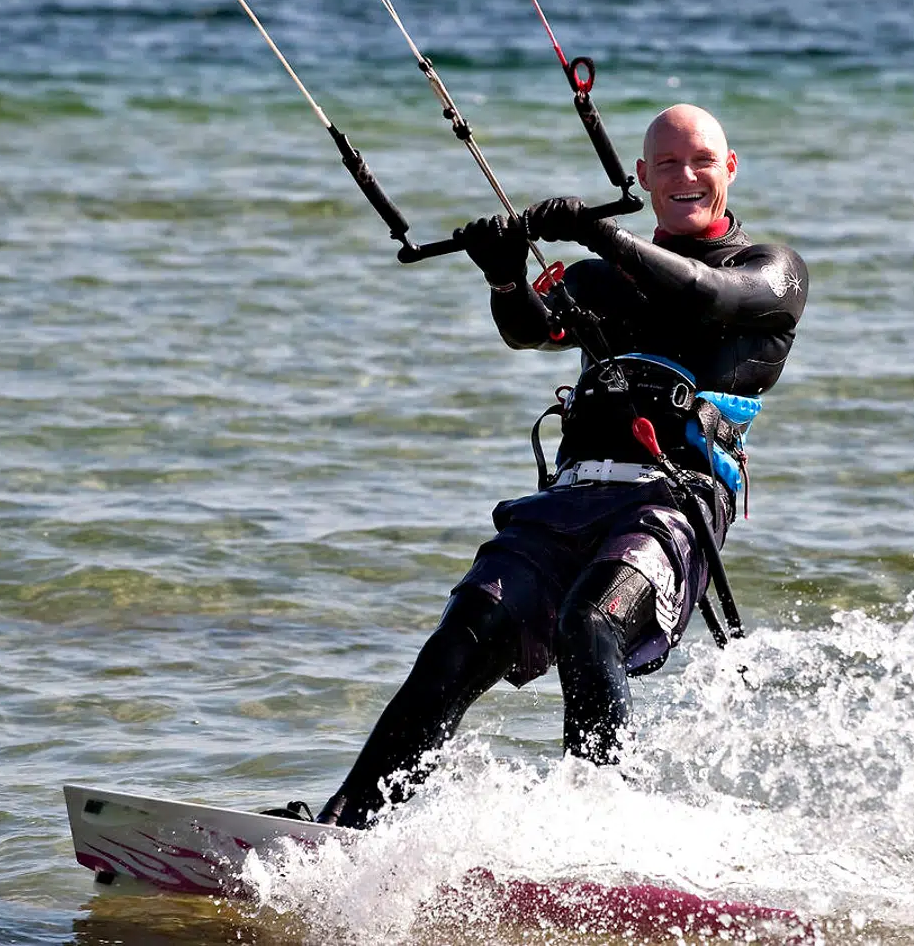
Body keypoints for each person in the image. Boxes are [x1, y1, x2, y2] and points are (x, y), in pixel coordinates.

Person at [311, 103, 808, 828]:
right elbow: (531, 331)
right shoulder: (598, 279)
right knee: (465, 630)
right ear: (641, 175)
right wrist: (506, 274)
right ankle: (345, 823)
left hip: (671, 508)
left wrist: (600, 231)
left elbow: (708, 298)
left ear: (730, 168)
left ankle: (597, 830)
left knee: (590, 620)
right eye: (666, 163)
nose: (685, 175)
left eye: (701, 160)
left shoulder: (772, 271)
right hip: (567, 503)